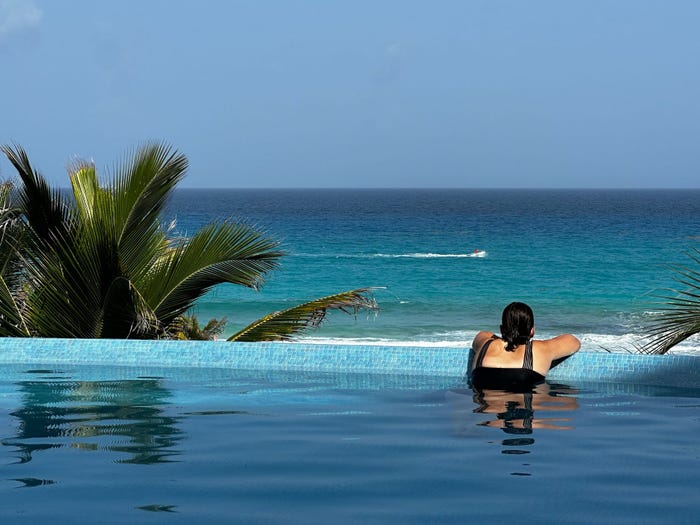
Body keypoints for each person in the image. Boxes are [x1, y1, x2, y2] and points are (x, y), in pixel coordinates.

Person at [470, 302, 580, 391]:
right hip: (525, 406)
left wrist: (507, 337)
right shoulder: (540, 349)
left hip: (485, 414)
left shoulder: (486, 344)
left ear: (501, 329)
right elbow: (573, 341)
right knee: (573, 403)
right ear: (532, 331)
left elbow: (483, 334)